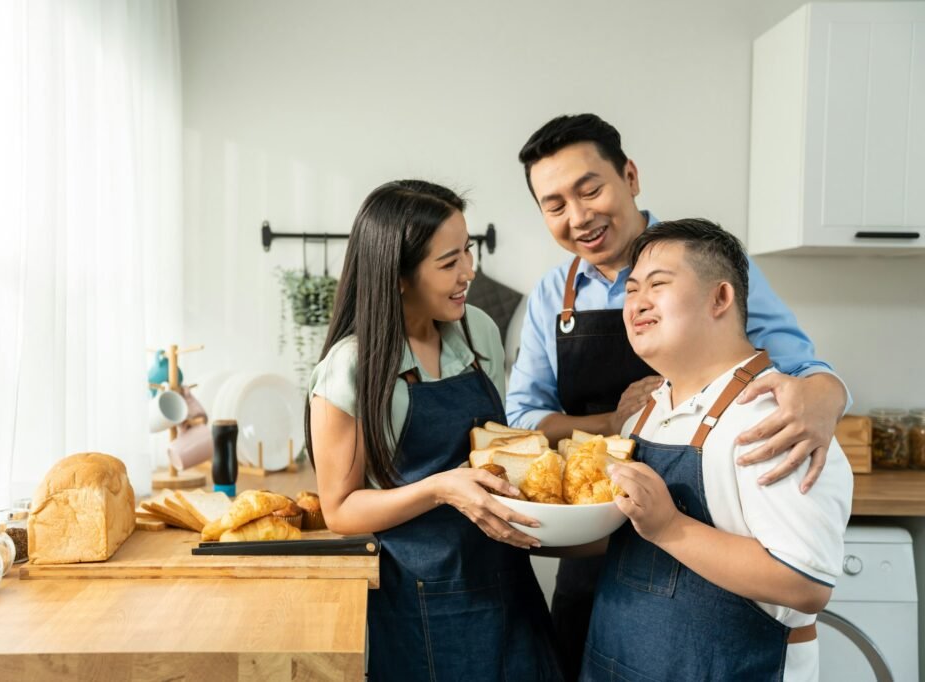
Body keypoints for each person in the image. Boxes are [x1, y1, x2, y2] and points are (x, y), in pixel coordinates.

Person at [507, 114, 851, 679]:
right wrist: (615, 424)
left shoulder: (708, 262)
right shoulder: (558, 299)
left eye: (590, 189)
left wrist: (827, 395)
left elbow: (803, 367)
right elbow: (520, 417)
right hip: (611, 562)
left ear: (630, 176)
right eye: (555, 204)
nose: (579, 216)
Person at [306, 179, 563, 681]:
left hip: (507, 584)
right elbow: (339, 509)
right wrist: (444, 488)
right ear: (398, 276)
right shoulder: (351, 367)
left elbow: (499, 453)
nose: (469, 272)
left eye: (467, 251)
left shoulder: (479, 330)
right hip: (418, 597)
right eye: (449, 263)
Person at [582, 218, 852, 680]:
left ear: (721, 298)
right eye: (631, 291)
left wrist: (669, 527)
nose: (637, 303)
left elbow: (805, 584)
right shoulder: (642, 414)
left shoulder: (775, 417)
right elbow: (628, 537)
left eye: (658, 285)